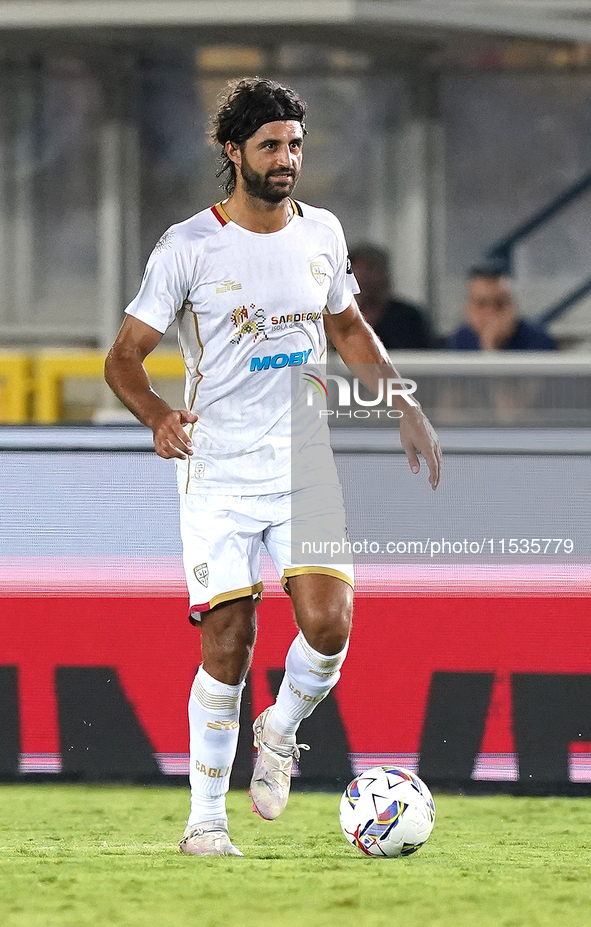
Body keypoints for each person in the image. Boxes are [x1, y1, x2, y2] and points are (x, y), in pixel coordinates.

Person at [104, 78, 441, 857]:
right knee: (228, 640)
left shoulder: (321, 231)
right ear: (233, 151)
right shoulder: (188, 246)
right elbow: (124, 357)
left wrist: (402, 403)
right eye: (270, 146)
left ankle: (280, 729)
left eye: (294, 144)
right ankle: (206, 822)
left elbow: (349, 326)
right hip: (215, 469)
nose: (286, 159)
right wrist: (157, 414)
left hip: (302, 463)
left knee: (329, 622)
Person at [448, 265, 557, 351]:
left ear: (512, 307)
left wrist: (491, 346)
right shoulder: (461, 339)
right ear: (468, 310)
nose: (491, 312)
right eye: (481, 304)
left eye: (499, 303)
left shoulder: (537, 339)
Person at [349, 244, 435, 349]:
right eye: (356, 271)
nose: (362, 278)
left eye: (370, 270)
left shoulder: (408, 317)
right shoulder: (338, 317)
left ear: (385, 276)